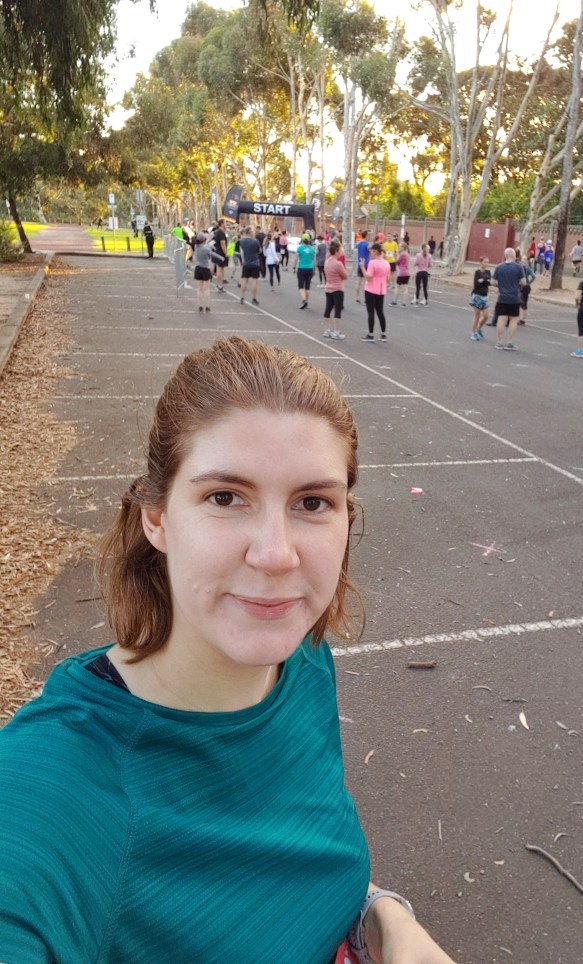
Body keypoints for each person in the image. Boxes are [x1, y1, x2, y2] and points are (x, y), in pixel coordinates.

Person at [0, 338, 456, 964]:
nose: (275, 553)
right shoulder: (59, 785)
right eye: (225, 497)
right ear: (156, 517)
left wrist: (384, 919)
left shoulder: (302, 664)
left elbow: (301, 869)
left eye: (312, 503)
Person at [491, 247, 525, 350]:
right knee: (513, 319)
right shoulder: (519, 268)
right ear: (514, 256)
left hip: (502, 297)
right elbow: (524, 282)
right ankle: (509, 342)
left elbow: (492, 282)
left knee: (501, 319)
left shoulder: (499, 267)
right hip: (514, 297)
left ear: (505, 255)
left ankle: (499, 342)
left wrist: (500, 285)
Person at [361, 241, 391, 342]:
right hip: (381, 290)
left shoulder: (372, 263)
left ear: (375, 251)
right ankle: (383, 334)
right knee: (380, 312)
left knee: (371, 312)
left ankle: (370, 334)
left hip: (370, 289)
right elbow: (388, 278)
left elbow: (368, 277)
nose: (370, 253)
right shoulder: (386, 263)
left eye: (371, 251)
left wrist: (362, 268)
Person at [322, 239, 348, 341]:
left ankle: (326, 330)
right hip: (338, 288)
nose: (342, 252)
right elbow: (345, 276)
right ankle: (336, 331)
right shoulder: (338, 264)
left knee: (328, 308)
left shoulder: (327, 262)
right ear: (336, 251)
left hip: (328, 287)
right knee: (337, 310)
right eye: (340, 250)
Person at [237, 225, 262, 306]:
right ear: (250, 232)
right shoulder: (255, 241)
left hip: (246, 263)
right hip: (255, 263)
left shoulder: (242, 241)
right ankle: (254, 298)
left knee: (244, 280)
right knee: (255, 281)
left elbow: (241, 252)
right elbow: (260, 251)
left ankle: (242, 297)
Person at [470, 256, 492, 340]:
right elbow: (476, 284)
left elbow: (489, 283)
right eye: (485, 262)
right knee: (477, 315)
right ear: (481, 262)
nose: (486, 264)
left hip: (485, 296)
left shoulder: (488, 272)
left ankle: (479, 328)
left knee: (486, 315)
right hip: (477, 295)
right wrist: (484, 280)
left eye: (487, 262)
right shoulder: (477, 272)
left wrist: (483, 280)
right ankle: (473, 332)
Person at [192, 231, 214, 312]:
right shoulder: (207, 248)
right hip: (205, 268)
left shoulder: (196, 246)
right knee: (206, 289)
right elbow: (209, 257)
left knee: (199, 288)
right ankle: (207, 305)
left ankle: (200, 305)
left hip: (198, 268)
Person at [295, 232, 316, 309]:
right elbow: (314, 260)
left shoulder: (300, 248)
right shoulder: (312, 249)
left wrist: (294, 267)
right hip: (310, 268)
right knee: (307, 287)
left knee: (301, 286)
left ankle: (304, 300)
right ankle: (306, 301)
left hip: (301, 268)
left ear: (302, 240)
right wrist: (315, 268)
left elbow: (296, 258)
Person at [517, 252, 535, 325]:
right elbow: (533, 276)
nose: (523, 261)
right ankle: (523, 319)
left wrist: (528, 283)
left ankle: (521, 319)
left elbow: (533, 276)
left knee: (522, 302)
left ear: (527, 261)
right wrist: (529, 283)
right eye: (522, 259)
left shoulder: (524, 268)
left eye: (524, 259)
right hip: (526, 286)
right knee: (524, 303)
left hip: (523, 286)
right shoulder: (527, 268)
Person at [391, 241, 410, 306]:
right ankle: (404, 303)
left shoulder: (402, 254)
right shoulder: (407, 254)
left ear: (403, 247)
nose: (398, 247)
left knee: (397, 287)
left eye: (400, 246)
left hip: (401, 272)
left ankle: (394, 301)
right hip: (407, 272)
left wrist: (394, 256)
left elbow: (397, 262)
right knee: (405, 288)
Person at [355, 230, 370, 303]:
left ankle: (357, 297)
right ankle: (366, 298)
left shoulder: (358, 244)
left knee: (358, 282)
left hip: (359, 263)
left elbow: (356, 248)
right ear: (366, 236)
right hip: (366, 264)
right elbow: (369, 252)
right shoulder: (367, 244)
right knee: (366, 282)